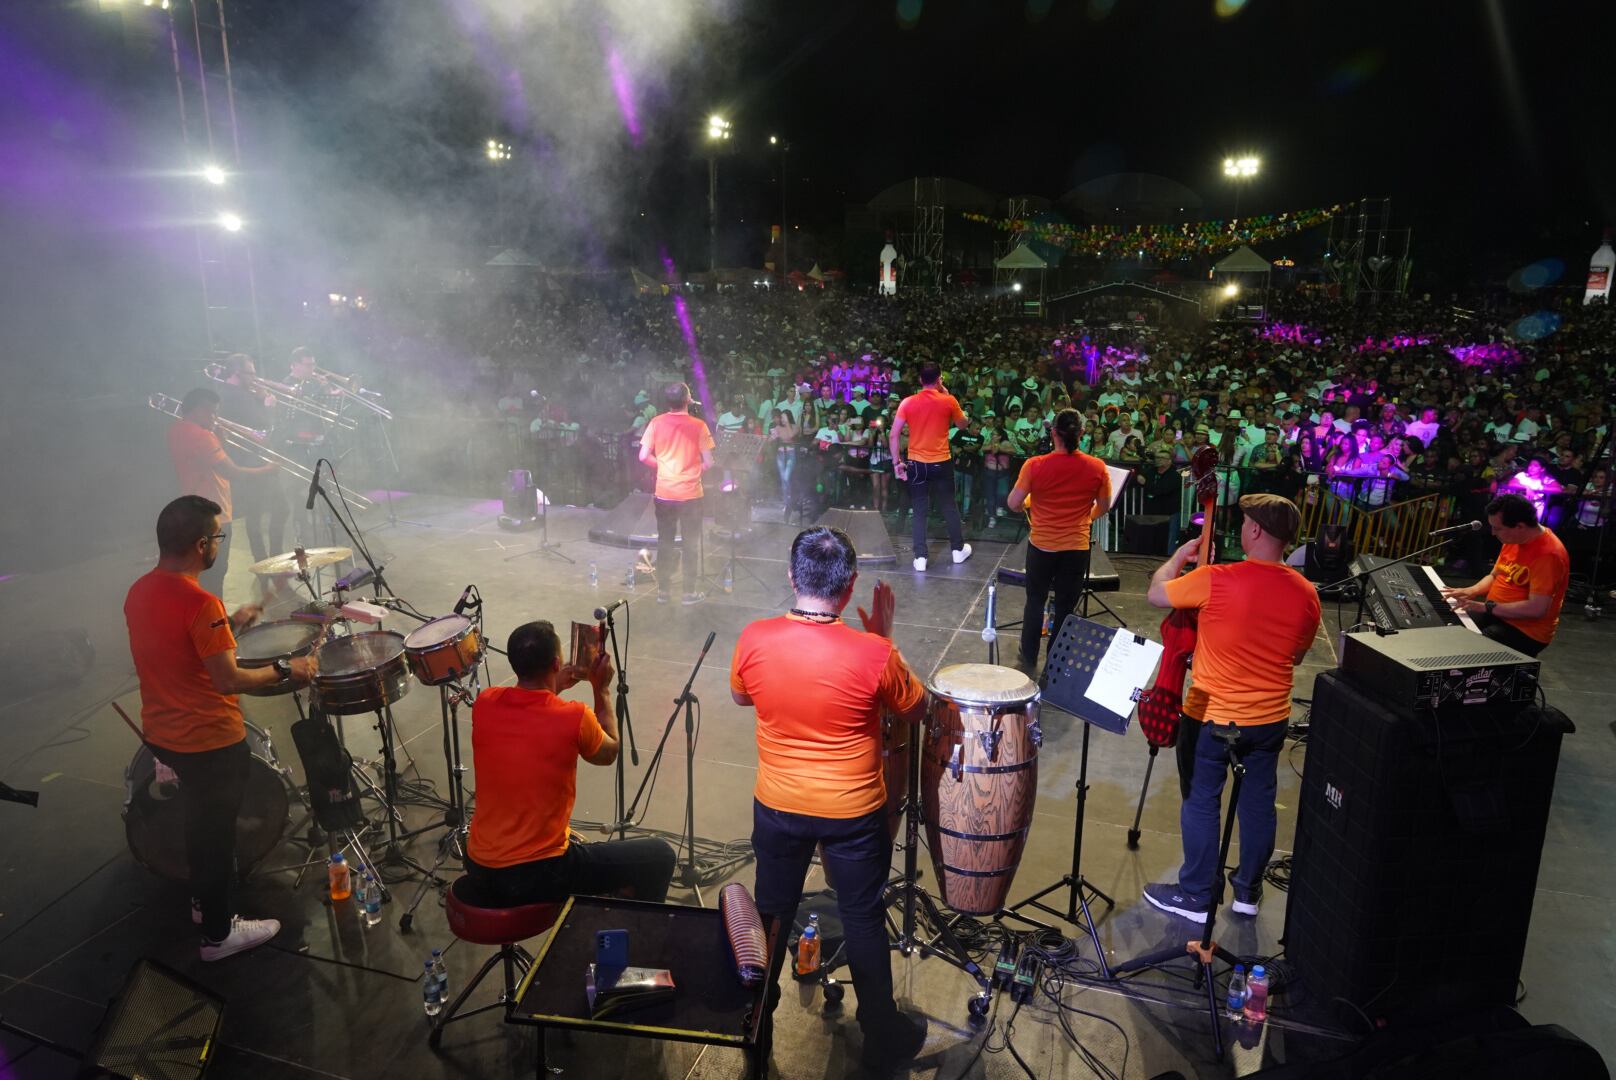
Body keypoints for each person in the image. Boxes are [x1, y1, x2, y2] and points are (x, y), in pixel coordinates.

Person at [729, 527, 929, 1069]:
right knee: (862, 915)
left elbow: (741, 694)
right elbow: (915, 709)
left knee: (771, 914)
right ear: (850, 585)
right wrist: (886, 639)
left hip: (777, 805)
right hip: (853, 812)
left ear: (792, 576)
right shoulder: (875, 653)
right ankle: (882, 1033)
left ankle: (756, 1025)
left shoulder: (754, 637)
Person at [123, 495, 318, 960]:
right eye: (217, 536)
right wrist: (291, 670)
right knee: (214, 836)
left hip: (163, 734)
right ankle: (217, 934)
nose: (218, 544)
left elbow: (177, 646)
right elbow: (229, 679)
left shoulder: (141, 590)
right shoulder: (199, 600)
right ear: (200, 544)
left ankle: (200, 902)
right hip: (208, 740)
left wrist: (228, 623)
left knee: (198, 823)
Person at [1142, 494, 1320, 923]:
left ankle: (1197, 896)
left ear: (1256, 530)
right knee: (1257, 804)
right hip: (1270, 718)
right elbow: (1296, 657)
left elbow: (1156, 594)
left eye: (1244, 522)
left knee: (1202, 800)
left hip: (1212, 715)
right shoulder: (1306, 592)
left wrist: (1178, 557)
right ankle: (1247, 893)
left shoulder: (1217, 578)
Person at [462, 621, 676, 906]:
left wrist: (555, 686)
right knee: (659, 856)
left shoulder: (486, 703)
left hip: (479, 865)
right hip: (537, 874)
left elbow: (531, 713)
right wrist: (602, 691)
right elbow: (609, 751)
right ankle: (637, 932)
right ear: (556, 663)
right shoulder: (574, 717)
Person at [1006, 409, 1112, 671]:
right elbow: (1105, 505)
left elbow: (1013, 503)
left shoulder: (1034, 465)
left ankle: (1028, 658)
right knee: (1066, 606)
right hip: (1075, 548)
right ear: (1082, 434)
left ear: (1053, 432)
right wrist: (1086, 517)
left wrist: (1030, 503)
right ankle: (1055, 662)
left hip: (1042, 546)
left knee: (1035, 601)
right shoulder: (1097, 467)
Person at [167, 388, 277, 599]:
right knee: (216, 572)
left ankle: (208, 618)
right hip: (214, 512)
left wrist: (220, 441)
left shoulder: (175, 430)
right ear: (199, 410)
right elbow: (232, 471)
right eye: (212, 413)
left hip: (192, 509)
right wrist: (268, 470)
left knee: (203, 571)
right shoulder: (201, 435)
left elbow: (207, 462)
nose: (215, 418)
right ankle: (216, 620)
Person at [1440, 492, 1570, 657]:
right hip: (1497, 613)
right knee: (1447, 627)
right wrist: (1471, 590)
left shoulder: (1549, 554)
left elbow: (1537, 609)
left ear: (1520, 526)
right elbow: (1495, 576)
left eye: (1497, 528)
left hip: (1526, 631)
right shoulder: (1514, 539)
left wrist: (1485, 607)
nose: (1493, 533)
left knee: (1465, 647)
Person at [638, 382, 715, 605]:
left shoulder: (656, 422)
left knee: (665, 542)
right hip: (690, 494)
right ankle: (688, 593)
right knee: (690, 543)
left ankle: (663, 592)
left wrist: (662, 466)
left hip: (664, 493)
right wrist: (694, 470)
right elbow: (709, 462)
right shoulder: (699, 425)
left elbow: (643, 456)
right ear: (688, 399)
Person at [890, 362, 971, 572]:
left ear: (920, 380)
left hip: (916, 463)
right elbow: (963, 424)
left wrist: (897, 462)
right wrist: (947, 393)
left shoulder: (907, 402)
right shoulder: (949, 400)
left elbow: (893, 434)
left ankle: (920, 558)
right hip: (941, 462)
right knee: (949, 506)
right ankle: (957, 551)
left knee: (919, 510)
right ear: (939, 379)